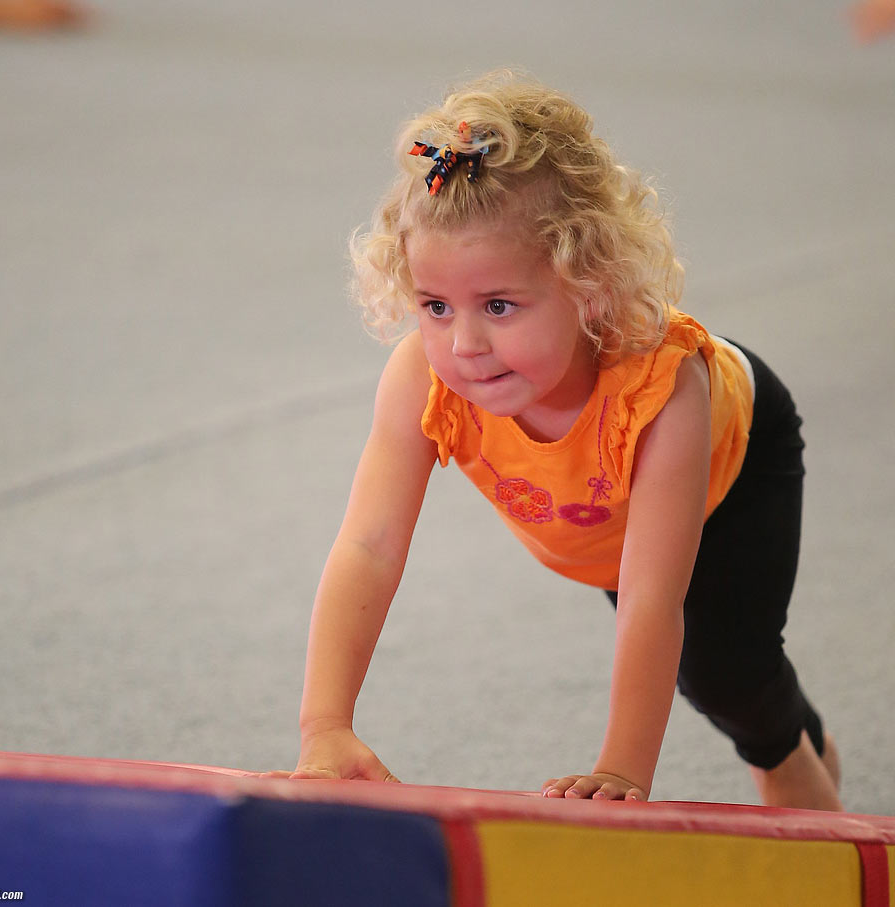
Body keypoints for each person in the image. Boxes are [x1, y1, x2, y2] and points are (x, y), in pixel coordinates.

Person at [273, 71, 843, 810]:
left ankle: (789, 753)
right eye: (435, 306)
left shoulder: (662, 393)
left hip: (735, 466)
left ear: (589, 285)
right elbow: (370, 545)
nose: (465, 344)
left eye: (499, 306)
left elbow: (650, 595)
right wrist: (324, 724)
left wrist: (622, 768)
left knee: (723, 669)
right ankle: (784, 723)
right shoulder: (423, 377)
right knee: (714, 668)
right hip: (600, 513)